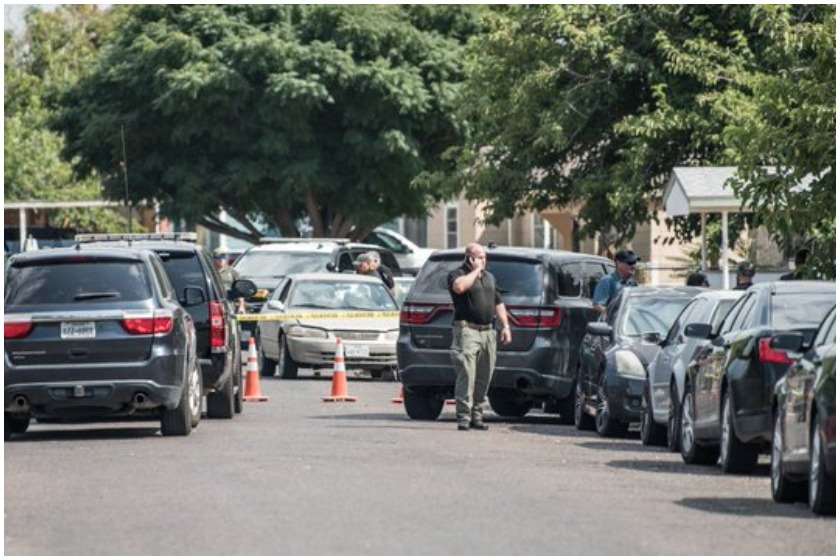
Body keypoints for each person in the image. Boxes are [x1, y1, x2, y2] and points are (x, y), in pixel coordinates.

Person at [447, 243, 512, 431]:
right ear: (470, 258)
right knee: (467, 373)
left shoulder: (489, 277)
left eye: (484, 257)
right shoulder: (458, 274)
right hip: (467, 330)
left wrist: (505, 326)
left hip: (488, 331)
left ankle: (477, 415)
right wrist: (476, 271)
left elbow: (498, 302)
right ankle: (464, 416)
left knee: (484, 375)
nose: (484, 260)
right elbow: (459, 287)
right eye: (480, 257)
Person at [592, 249, 639, 316]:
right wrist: (614, 316)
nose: (633, 266)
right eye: (630, 263)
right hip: (614, 321)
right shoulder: (607, 281)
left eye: (635, 262)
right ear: (618, 263)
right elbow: (597, 305)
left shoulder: (633, 283)